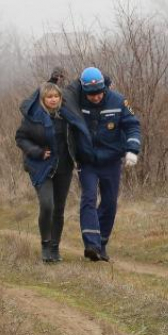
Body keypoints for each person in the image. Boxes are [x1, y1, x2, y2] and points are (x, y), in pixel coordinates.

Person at [65, 67, 141, 262]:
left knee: (109, 202)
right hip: (87, 160)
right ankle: (91, 245)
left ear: (104, 88)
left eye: (99, 93)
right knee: (89, 197)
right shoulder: (76, 102)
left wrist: (132, 149)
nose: (96, 97)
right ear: (84, 90)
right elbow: (59, 98)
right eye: (91, 94)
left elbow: (132, 125)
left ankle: (102, 243)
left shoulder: (119, 101)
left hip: (112, 160)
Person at [15, 82, 89, 262]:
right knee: (47, 205)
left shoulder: (68, 116)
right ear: (43, 99)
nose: (53, 99)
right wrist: (37, 151)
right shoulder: (34, 117)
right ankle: (45, 245)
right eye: (49, 97)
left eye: (56, 96)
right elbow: (21, 138)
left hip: (64, 167)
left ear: (61, 98)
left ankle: (55, 248)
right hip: (41, 167)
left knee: (59, 209)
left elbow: (79, 136)